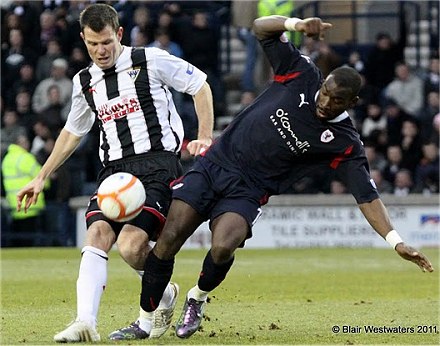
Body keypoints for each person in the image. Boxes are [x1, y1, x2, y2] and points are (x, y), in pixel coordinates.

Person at [122, 15, 434, 340]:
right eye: (326, 92)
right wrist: (296, 25)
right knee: (170, 237)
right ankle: (145, 322)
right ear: (323, 82)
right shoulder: (301, 73)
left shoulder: (343, 141)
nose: (326, 102)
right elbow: (260, 27)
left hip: (248, 190)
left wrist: (395, 242)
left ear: (352, 104)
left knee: (223, 246)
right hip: (215, 163)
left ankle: (196, 297)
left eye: (337, 101)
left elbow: (367, 196)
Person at [16, 3, 214, 343]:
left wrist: (205, 136)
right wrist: (42, 175)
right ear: (83, 39)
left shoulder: (149, 59)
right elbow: (72, 132)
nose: (100, 50)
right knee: (96, 236)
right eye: (93, 44)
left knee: (131, 246)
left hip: (157, 166)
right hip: (114, 173)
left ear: (119, 34)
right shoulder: (85, 81)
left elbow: (200, 86)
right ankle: (85, 322)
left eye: (106, 42)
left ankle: (162, 293)